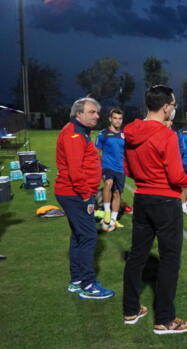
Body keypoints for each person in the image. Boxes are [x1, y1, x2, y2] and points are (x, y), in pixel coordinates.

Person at [123, 85, 187, 334]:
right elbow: (177, 176)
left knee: (137, 256)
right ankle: (165, 320)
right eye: (173, 104)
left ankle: (131, 310)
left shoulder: (131, 131)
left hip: (142, 199)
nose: (174, 109)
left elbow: (129, 171)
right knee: (169, 260)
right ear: (166, 106)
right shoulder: (167, 135)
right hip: (165, 202)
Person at [55, 97, 115, 299]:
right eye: (92, 112)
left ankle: (77, 280)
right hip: (75, 193)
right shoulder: (74, 134)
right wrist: (86, 194)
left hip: (74, 192)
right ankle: (89, 285)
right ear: (78, 114)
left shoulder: (80, 131)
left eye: (97, 112)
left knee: (79, 236)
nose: (97, 116)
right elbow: (74, 170)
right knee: (88, 237)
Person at [95, 108, 126, 231]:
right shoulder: (103, 134)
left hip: (120, 168)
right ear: (110, 119)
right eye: (115, 118)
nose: (118, 121)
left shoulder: (124, 135)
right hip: (107, 166)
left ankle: (113, 219)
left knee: (117, 193)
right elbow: (96, 152)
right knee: (108, 183)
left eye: (120, 118)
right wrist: (101, 165)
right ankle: (107, 213)